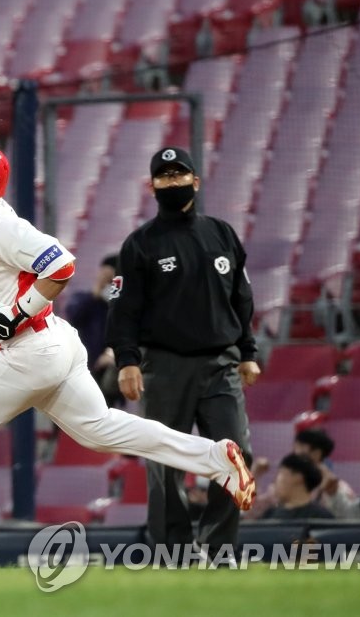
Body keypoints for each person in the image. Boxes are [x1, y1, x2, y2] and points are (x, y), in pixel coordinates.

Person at [0, 141, 255, 563]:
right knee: (101, 430)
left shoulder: (5, 226)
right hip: (51, 344)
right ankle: (214, 458)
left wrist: (15, 313)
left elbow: (60, 265)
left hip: (30, 347)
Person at [106, 146, 261, 560]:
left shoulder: (222, 233)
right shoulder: (139, 244)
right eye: (164, 176)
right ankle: (171, 551)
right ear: (152, 185)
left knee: (236, 455)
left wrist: (248, 351)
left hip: (221, 363)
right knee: (164, 463)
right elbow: (123, 309)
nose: (172, 183)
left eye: (179, 175)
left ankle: (217, 549)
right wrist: (127, 361)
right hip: (164, 366)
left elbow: (241, 299)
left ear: (196, 180)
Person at [250, 429, 360, 520]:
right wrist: (255, 475)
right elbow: (252, 513)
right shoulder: (283, 486)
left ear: (316, 453)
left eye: (300, 446)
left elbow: (348, 523)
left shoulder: (338, 489)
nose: (294, 451)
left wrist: (333, 493)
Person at [64, 254, 122, 405]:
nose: (107, 283)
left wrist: (112, 356)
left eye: (111, 279)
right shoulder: (86, 299)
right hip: (84, 367)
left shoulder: (122, 306)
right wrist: (96, 292)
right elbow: (74, 317)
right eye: (104, 276)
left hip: (108, 368)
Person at [260, 454, 334, 521]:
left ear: (298, 477)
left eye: (280, 473)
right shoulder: (269, 515)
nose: (275, 480)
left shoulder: (321, 518)